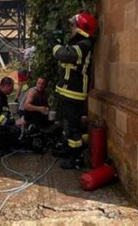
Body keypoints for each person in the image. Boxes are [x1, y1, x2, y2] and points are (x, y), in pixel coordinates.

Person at [53, 12, 97, 169]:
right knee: (65, 126)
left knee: (73, 129)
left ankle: (76, 159)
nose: (70, 28)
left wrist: (55, 45)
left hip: (74, 93)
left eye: (73, 25)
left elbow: (65, 55)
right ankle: (67, 151)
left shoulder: (84, 44)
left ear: (81, 28)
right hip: (65, 92)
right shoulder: (77, 43)